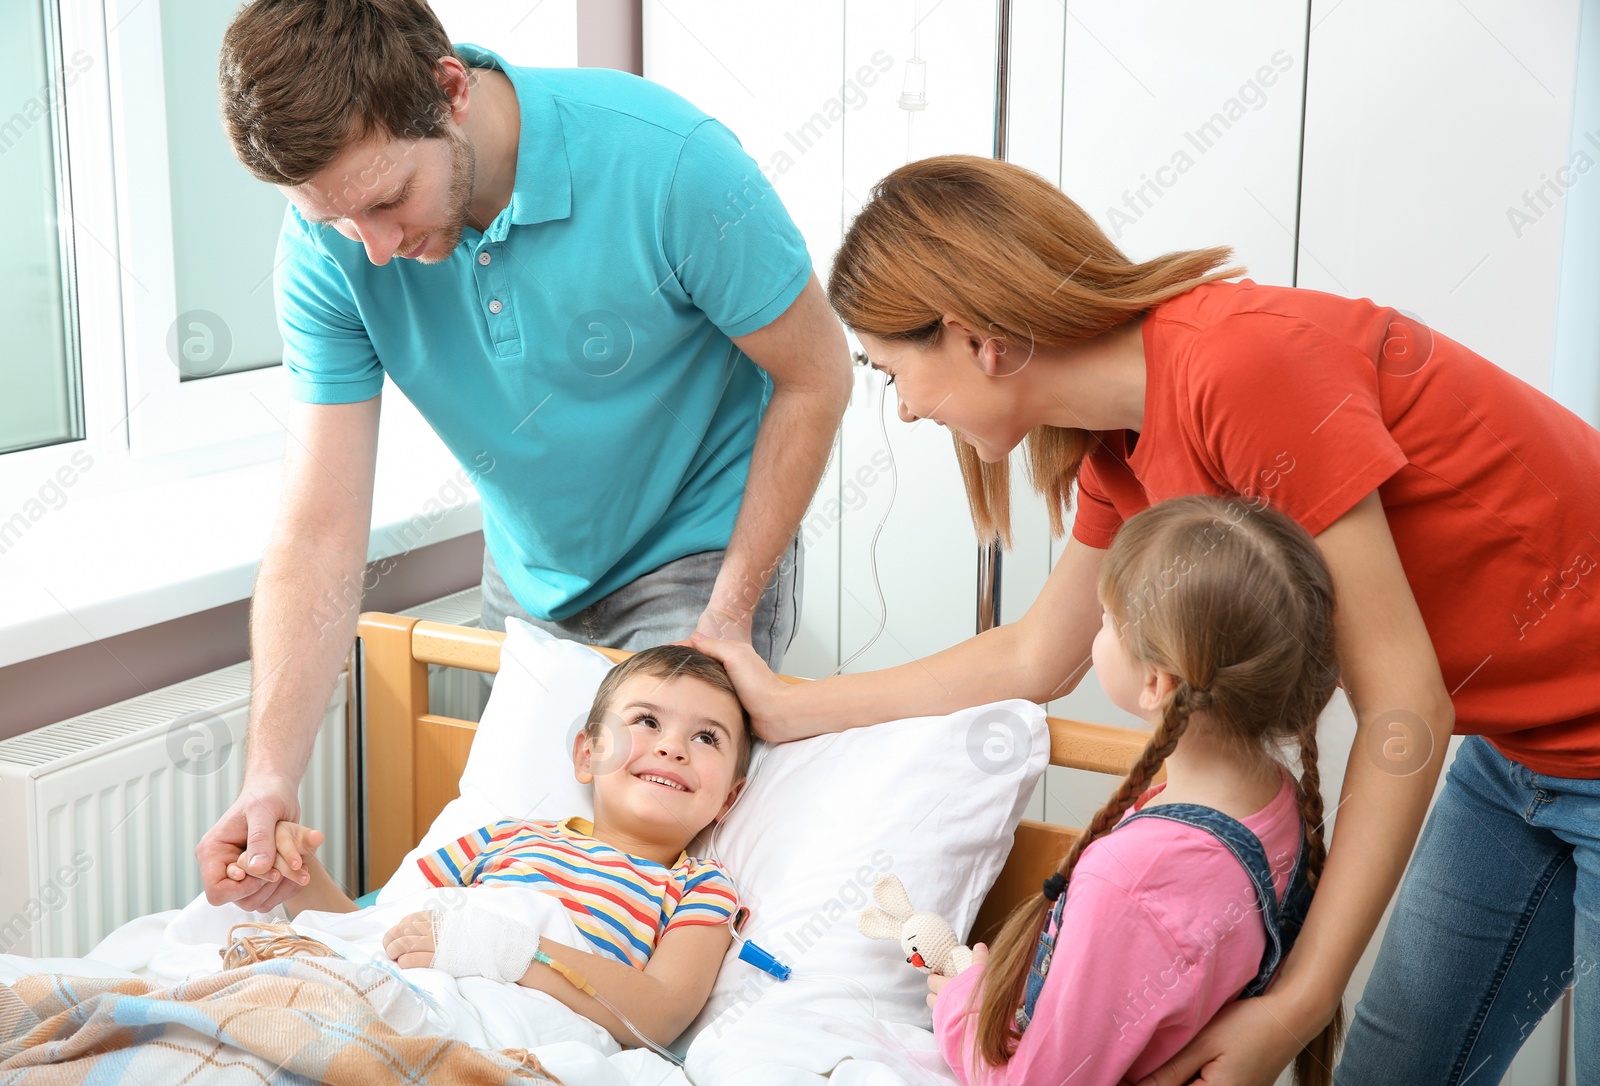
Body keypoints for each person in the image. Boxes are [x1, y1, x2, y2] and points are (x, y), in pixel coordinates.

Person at [691, 155, 1600, 1085]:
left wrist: (1296, 1003)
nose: (910, 410)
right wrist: (794, 710)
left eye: (894, 374)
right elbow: (1040, 655)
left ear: (977, 340)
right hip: (1523, 755)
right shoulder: (1118, 450)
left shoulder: (1242, 368)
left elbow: (1406, 703)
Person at [198, 0, 850, 917]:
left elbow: (817, 375)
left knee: (649, 875)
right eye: (339, 221)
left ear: (450, 89)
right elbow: (318, 530)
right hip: (531, 572)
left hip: (696, 553)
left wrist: (731, 615)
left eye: (388, 202)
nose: (375, 250)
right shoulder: (327, 247)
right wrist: (270, 776)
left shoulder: (668, 164)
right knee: (522, 850)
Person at [928, 495, 1341, 1086]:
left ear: (1157, 682)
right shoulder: (1275, 803)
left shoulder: (1128, 879)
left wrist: (960, 1009)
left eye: (1105, 619)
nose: (1096, 630)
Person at [236, 644, 753, 1050]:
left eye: (707, 738)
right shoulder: (506, 835)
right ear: (588, 755)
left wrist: (500, 950)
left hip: (517, 1030)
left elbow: (660, 1016)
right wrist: (298, 876)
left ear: (728, 799)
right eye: (647, 721)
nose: (672, 747)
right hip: (405, 992)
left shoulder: (701, 888)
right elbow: (379, 932)